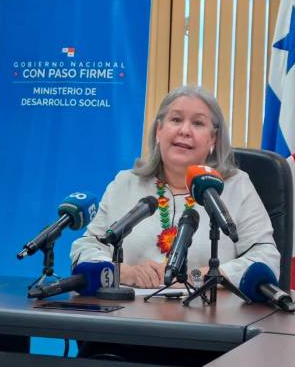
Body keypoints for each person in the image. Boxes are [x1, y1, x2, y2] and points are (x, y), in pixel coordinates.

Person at [71, 86, 280, 289]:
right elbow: (87, 246)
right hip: (130, 316)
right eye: (176, 119)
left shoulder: (236, 186)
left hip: (208, 315)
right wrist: (121, 272)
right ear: (159, 130)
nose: (185, 130)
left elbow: (265, 257)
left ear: (213, 138)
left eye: (198, 123)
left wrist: (201, 278)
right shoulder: (125, 183)